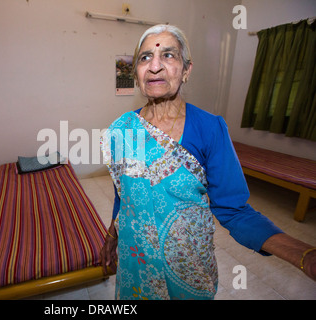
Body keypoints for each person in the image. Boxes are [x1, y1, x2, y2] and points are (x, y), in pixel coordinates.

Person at [100, 24, 316, 300]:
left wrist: (303, 253)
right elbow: (124, 194)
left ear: (187, 70)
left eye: (168, 55)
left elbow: (234, 210)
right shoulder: (121, 130)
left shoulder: (210, 129)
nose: (155, 66)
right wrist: (112, 235)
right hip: (136, 260)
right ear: (136, 74)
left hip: (189, 267)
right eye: (145, 58)